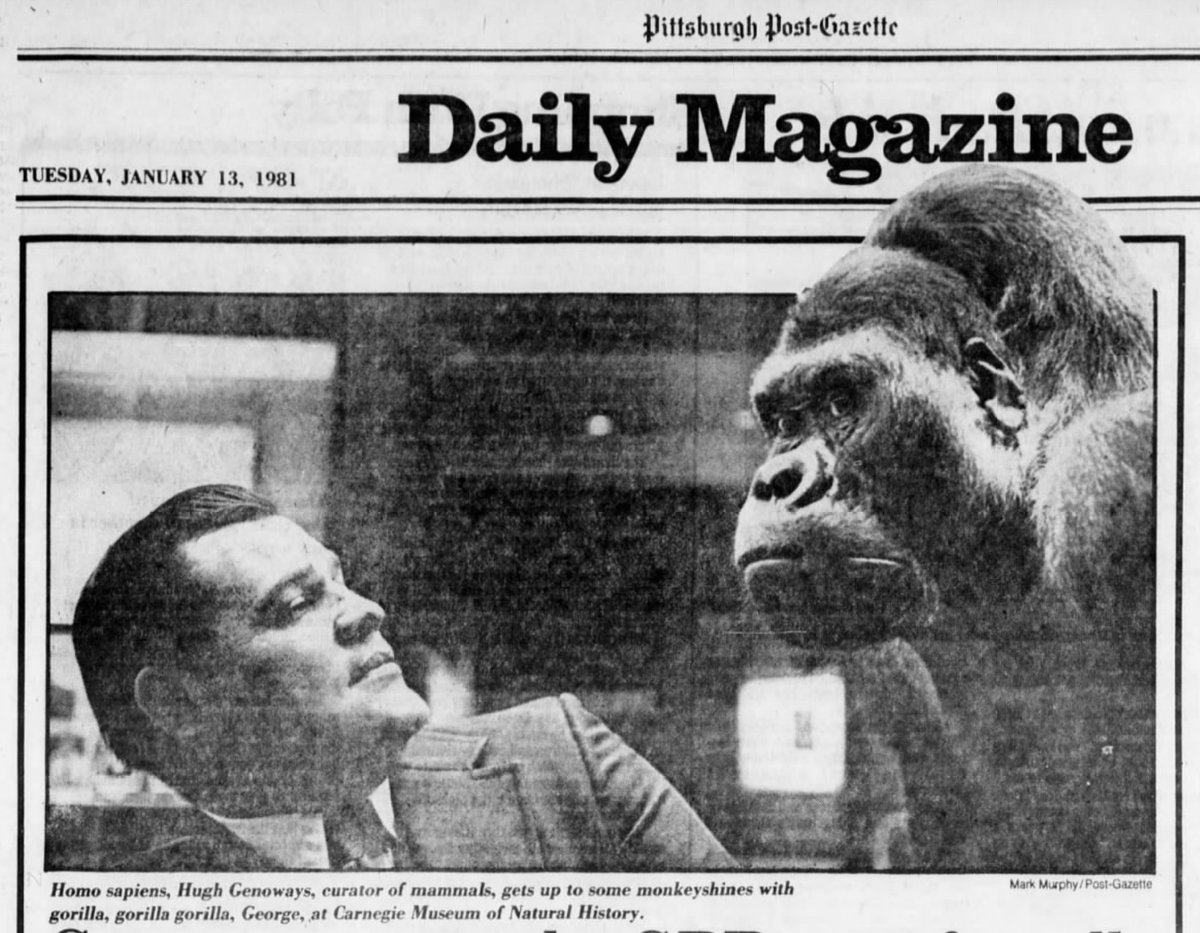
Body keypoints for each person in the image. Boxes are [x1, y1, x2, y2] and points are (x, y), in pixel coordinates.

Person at [69, 484, 734, 870]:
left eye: (340, 580)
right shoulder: (107, 887)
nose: (364, 611)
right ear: (178, 701)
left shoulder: (562, 761)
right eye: (297, 603)